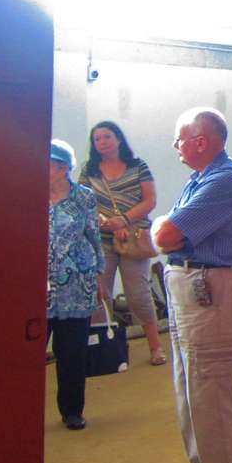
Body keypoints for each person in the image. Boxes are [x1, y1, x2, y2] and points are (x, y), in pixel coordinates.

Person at [151, 107, 232, 463]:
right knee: (188, 386)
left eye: (180, 139)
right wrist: (164, 225)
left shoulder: (224, 182)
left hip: (209, 292)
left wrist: (160, 224)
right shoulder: (202, 180)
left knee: (208, 388)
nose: (175, 146)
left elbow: (164, 235)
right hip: (192, 291)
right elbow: (166, 232)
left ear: (201, 141)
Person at [78, 120, 166, 365]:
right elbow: (84, 201)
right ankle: (105, 347)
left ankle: (156, 347)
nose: (102, 143)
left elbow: (150, 201)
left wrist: (123, 221)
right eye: (97, 139)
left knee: (138, 295)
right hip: (101, 239)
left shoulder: (138, 166)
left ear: (118, 139)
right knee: (99, 294)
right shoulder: (89, 169)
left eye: (107, 137)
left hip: (135, 238)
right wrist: (106, 221)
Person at [47, 138, 105, 431]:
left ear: (63, 168)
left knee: (72, 352)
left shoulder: (83, 197)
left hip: (76, 285)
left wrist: (99, 275)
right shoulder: (26, 193)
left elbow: (94, 237)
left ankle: (72, 411)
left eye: (49, 164)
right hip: (37, 288)